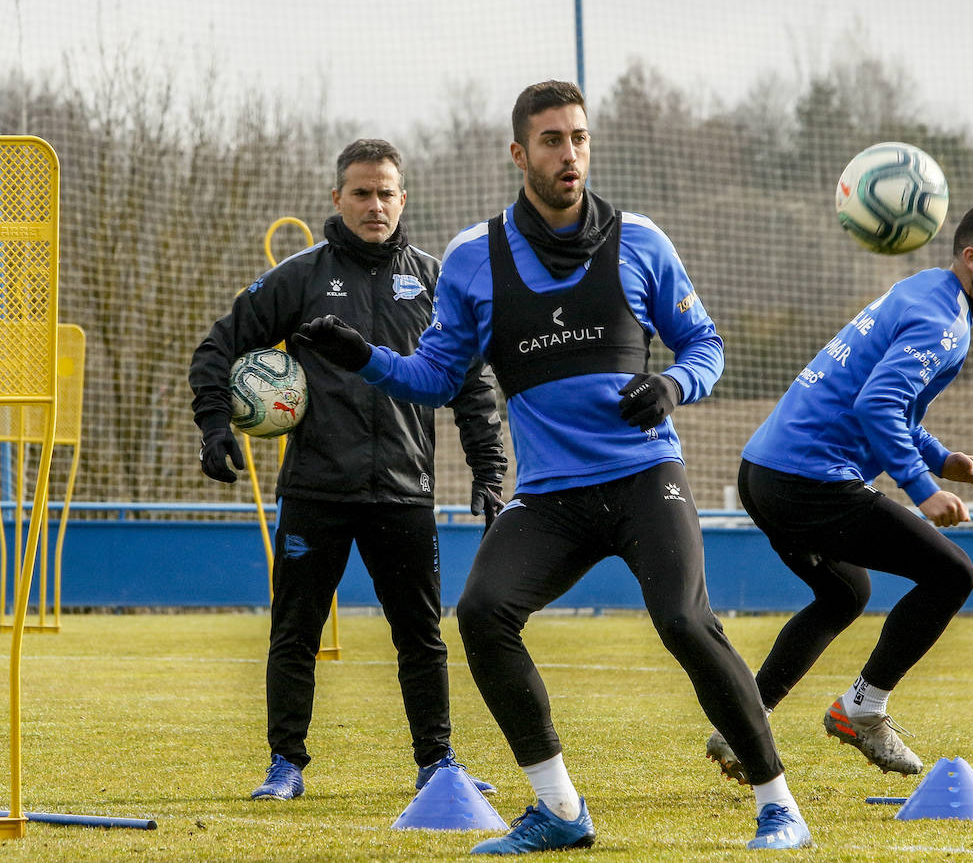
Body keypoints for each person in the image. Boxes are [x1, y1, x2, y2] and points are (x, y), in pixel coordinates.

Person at [294, 81, 812, 853]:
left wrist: (673, 383)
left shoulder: (641, 241)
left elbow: (707, 347)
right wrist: (363, 357)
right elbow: (436, 378)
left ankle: (780, 806)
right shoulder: (474, 259)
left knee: (683, 618)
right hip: (552, 496)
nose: (569, 154)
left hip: (645, 477)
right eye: (551, 140)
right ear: (518, 153)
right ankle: (561, 810)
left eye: (578, 137)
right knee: (482, 615)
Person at [188, 138, 507, 802]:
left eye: (386, 191)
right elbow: (221, 342)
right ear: (337, 198)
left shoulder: (433, 278)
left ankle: (437, 763)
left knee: (421, 633)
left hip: (405, 490)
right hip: (316, 489)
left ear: (404, 198)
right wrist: (216, 421)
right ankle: (285, 764)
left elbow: (472, 385)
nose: (375, 204)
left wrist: (488, 469)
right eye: (361, 192)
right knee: (295, 628)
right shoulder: (302, 277)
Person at [705, 201, 973, 784]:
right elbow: (877, 404)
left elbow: (883, 399)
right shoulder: (943, 322)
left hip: (764, 472)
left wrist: (943, 458)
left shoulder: (924, 291)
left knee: (843, 594)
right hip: (809, 481)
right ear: (971, 257)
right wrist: (922, 487)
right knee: (951, 575)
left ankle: (742, 725)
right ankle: (863, 710)